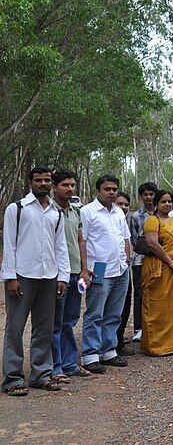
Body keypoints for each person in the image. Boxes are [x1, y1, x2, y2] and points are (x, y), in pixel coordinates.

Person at [2, 167, 70, 396]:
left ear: (51, 184)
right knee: (15, 328)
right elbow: (9, 244)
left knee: (44, 328)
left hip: (49, 277)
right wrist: (11, 277)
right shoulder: (17, 209)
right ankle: (12, 378)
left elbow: (60, 247)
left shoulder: (56, 212)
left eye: (47, 180)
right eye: (38, 180)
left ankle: (41, 374)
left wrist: (62, 276)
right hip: (22, 276)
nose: (43, 183)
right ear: (30, 182)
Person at [80, 174, 132, 373]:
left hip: (120, 268)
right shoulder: (87, 211)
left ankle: (108, 351)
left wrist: (126, 258)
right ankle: (90, 355)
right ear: (98, 190)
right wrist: (85, 269)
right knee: (95, 313)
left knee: (114, 312)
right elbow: (82, 241)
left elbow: (125, 237)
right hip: (99, 268)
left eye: (114, 189)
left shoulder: (119, 212)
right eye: (107, 189)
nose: (112, 192)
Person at [141, 190, 173, 356]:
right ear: (157, 203)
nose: (167, 204)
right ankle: (156, 346)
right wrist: (170, 262)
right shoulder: (152, 221)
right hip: (159, 269)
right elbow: (152, 244)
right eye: (163, 201)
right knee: (157, 308)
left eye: (170, 201)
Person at [50, 170, 90, 382]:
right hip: (58, 275)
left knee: (70, 320)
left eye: (72, 185)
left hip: (76, 273)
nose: (70, 188)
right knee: (55, 322)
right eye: (65, 184)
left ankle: (69, 363)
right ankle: (55, 367)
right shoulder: (48, 211)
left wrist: (84, 269)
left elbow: (81, 241)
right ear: (55, 187)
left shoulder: (76, 212)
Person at [128, 181, 157, 344]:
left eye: (151, 194)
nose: (148, 197)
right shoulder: (136, 216)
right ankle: (139, 329)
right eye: (145, 194)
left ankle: (155, 326)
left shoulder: (161, 214)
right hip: (140, 260)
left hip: (158, 259)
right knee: (139, 294)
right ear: (141, 196)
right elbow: (133, 239)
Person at [115, 190, 135, 357]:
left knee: (124, 306)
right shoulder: (91, 213)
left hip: (123, 269)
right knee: (103, 309)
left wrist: (127, 260)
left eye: (126, 204)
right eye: (119, 203)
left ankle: (118, 341)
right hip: (103, 270)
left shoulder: (124, 220)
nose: (123, 207)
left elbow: (128, 241)